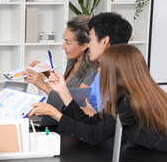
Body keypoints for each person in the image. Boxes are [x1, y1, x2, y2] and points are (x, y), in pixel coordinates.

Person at [30, 44, 167, 151]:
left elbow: (94, 136)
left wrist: (55, 114)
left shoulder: (129, 102)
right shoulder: (129, 96)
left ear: (117, 71)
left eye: (102, 66)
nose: (100, 70)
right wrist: (63, 91)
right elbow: (91, 124)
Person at [23, 15, 98, 94]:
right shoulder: (73, 61)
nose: (63, 47)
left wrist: (43, 85)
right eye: (64, 40)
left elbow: (74, 103)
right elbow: (62, 89)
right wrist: (45, 70)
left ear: (84, 46)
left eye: (68, 43)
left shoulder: (93, 70)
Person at [85, 12, 132, 114]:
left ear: (105, 41)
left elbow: (107, 125)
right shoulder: (100, 73)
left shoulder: (119, 77)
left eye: (91, 39)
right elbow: (89, 104)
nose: (88, 45)